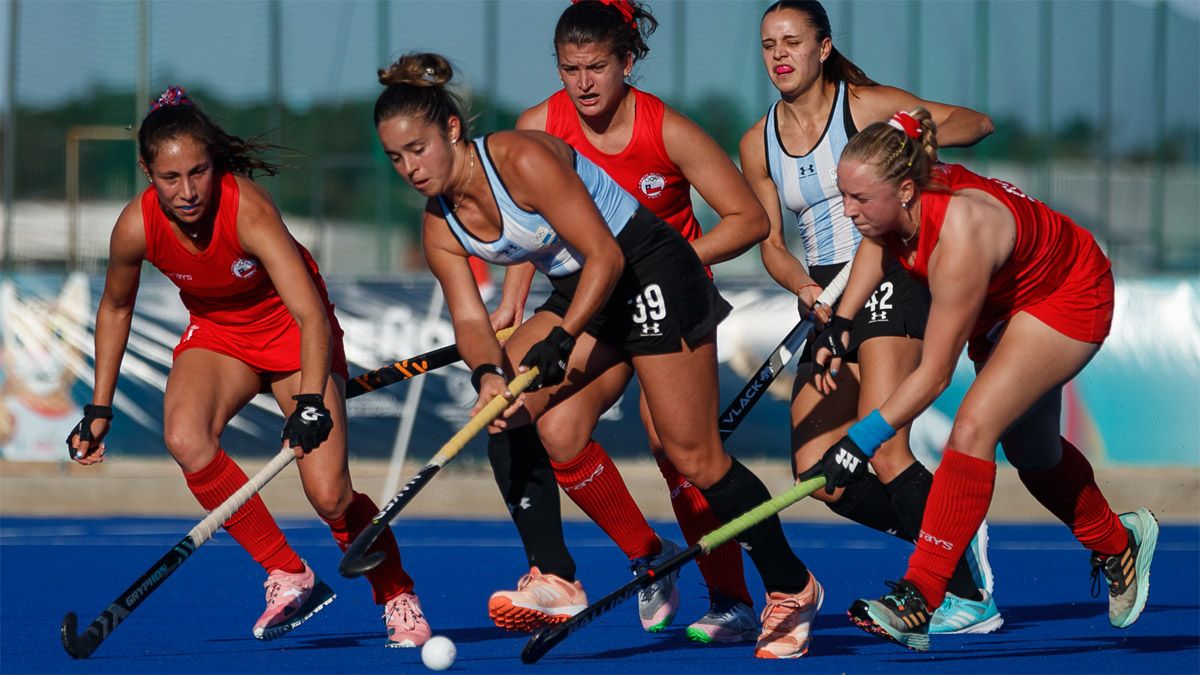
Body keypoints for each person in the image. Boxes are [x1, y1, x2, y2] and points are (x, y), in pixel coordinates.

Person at [375, 52, 822, 659]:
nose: (410, 168)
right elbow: (471, 319)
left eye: (418, 149)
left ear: (452, 131)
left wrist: (564, 337)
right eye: (395, 157)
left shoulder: (522, 158)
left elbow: (608, 258)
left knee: (692, 454)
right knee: (514, 410)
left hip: (649, 271)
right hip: (584, 289)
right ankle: (556, 577)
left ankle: (792, 586)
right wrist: (486, 374)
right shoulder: (439, 224)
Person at [65, 86, 432, 649]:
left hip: (292, 329)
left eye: (198, 172)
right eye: (171, 178)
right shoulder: (134, 228)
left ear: (214, 163)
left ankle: (396, 592)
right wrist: (99, 406)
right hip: (218, 335)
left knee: (331, 496)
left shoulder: (248, 209)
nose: (188, 192)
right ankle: (287, 571)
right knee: (186, 437)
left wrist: (311, 401)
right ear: (146, 171)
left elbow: (309, 311)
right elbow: (116, 306)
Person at [803, 107, 1158, 651]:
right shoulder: (895, 206)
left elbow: (935, 376)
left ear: (902, 191)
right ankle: (1117, 539)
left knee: (972, 430)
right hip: (1006, 305)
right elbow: (877, 248)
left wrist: (860, 441)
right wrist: (843, 325)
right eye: (843, 196)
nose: (847, 212)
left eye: (858, 200)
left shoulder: (961, 238)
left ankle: (922, 595)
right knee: (1033, 452)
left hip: (1067, 294)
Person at [485, 0, 765, 645]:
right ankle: (649, 558)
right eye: (569, 69)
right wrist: (511, 300)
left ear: (627, 63)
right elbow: (526, 226)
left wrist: (667, 262)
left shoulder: (668, 130)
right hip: (596, 304)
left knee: (679, 450)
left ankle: (732, 599)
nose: (582, 84)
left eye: (596, 68)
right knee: (555, 426)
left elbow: (748, 220)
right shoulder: (540, 126)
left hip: (671, 304)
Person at [738, 0, 1001, 634]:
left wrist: (915, 135)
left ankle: (968, 597)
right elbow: (772, 242)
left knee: (883, 448)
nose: (779, 54)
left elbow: (977, 123)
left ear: (822, 49)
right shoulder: (756, 141)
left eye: (793, 41)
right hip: (826, 295)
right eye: (769, 42)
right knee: (819, 473)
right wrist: (803, 285)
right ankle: (951, 527)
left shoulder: (864, 106)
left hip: (888, 273)